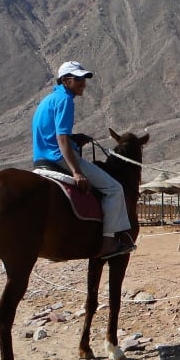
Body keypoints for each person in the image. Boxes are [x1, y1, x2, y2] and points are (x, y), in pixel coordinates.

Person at [32, 60, 134, 259]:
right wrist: (76, 171)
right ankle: (109, 242)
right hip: (58, 157)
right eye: (78, 79)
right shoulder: (65, 100)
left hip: (40, 157)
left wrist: (75, 138)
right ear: (65, 80)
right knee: (115, 189)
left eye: (84, 79)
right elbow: (60, 139)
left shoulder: (49, 99)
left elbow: (55, 135)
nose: (83, 83)